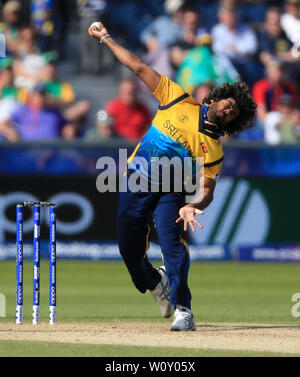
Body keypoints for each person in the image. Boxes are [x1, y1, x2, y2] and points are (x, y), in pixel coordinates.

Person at [88, 21, 257, 331]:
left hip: (171, 190)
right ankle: (156, 282)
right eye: (229, 103)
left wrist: (196, 205)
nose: (229, 109)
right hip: (136, 180)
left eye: (234, 113)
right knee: (129, 251)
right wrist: (107, 38)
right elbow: (138, 67)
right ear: (217, 97)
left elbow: (208, 190)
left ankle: (183, 309)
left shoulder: (214, 148)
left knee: (172, 245)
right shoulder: (177, 97)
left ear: (233, 122)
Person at [0, 84, 77, 141]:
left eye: (43, 95)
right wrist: (10, 132)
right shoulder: (23, 110)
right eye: (38, 95)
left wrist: (69, 129)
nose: (40, 98)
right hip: (27, 150)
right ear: (32, 96)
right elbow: (2, 125)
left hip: (52, 151)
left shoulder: (54, 112)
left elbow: (69, 123)